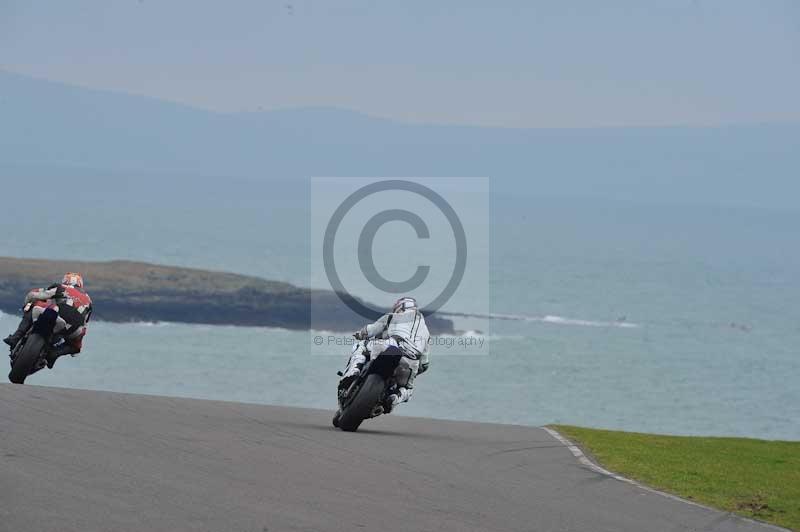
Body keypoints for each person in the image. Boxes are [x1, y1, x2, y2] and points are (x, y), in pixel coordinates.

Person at [339, 296, 430, 412]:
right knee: (407, 389)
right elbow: (425, 364)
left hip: (392, 346)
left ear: (400, 306)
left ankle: (353, 371)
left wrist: (359, 334)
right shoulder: (426, 332)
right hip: (412, 361)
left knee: (361, 345)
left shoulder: (393, 316)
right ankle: (394, 398)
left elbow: (369, 330)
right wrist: (413, 371)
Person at [3, 272, 93, 368]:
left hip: (56, 316)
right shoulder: (88, 300)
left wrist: (26, 305)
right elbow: (85, 321)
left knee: (35, 304)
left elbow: (35, 296)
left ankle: (16, 336)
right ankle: (54, 354)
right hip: (73, 329)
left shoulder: (61, 287)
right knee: (75, 347)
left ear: (65, 281)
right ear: (80, 284)